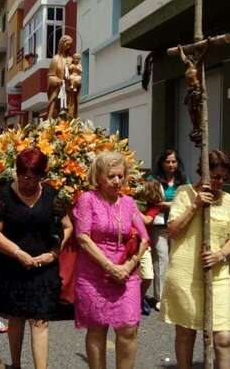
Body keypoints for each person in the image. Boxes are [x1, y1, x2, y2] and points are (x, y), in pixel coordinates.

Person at [0, 148, 73, 369]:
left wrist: (53, 254)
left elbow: (67, 226)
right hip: (12, 266)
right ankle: (15, 364)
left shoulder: (52, 195)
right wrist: (17, 252)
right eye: (25, 177)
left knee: (40, 321)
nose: (29, 183)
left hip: (43, 268)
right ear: (17, 173)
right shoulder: (5, 196)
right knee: (16, 318)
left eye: (34, 178)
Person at [161, 149, 230, 369]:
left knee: (224, 339)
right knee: (186, 335)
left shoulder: (228, 200)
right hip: (185, 275)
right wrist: (195, 205)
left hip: (217, 276)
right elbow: (172, 231)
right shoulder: (184, 193)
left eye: (225, 178)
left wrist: (220, 254)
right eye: (216, 177)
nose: (220, 182)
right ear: (204, 174)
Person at [73, 152, 149, 369]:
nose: (117, 181)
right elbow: (83, 238)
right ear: (98, 177)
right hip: (94, 274)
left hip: (126, 273)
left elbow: (144, 238)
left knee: (128, 328)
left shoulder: (129, 203)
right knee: (97, 329)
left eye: (120, 176)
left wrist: (127, 266)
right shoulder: (87, 200)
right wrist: (109, 267)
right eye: (111, 176)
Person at [150, 149, 188, 309]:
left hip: (178, 225)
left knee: (176, 259)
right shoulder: (153, 180)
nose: (171, 165)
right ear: (162, 163)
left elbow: (188, 201)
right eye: (168, 161)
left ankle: (175, 295)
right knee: (162, 259)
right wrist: (172, 205)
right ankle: (161, 298)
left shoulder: (184, 180)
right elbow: (153, 201)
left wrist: (169, 205)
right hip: (159, 225)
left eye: (174, 161)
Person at [136, 178, 164, 315]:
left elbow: (147, 220)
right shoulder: (132, 197)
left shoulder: (154, 206)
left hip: (143, 243)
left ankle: (139, 298)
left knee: (148, 276)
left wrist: (133, 208)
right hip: (127, 242)